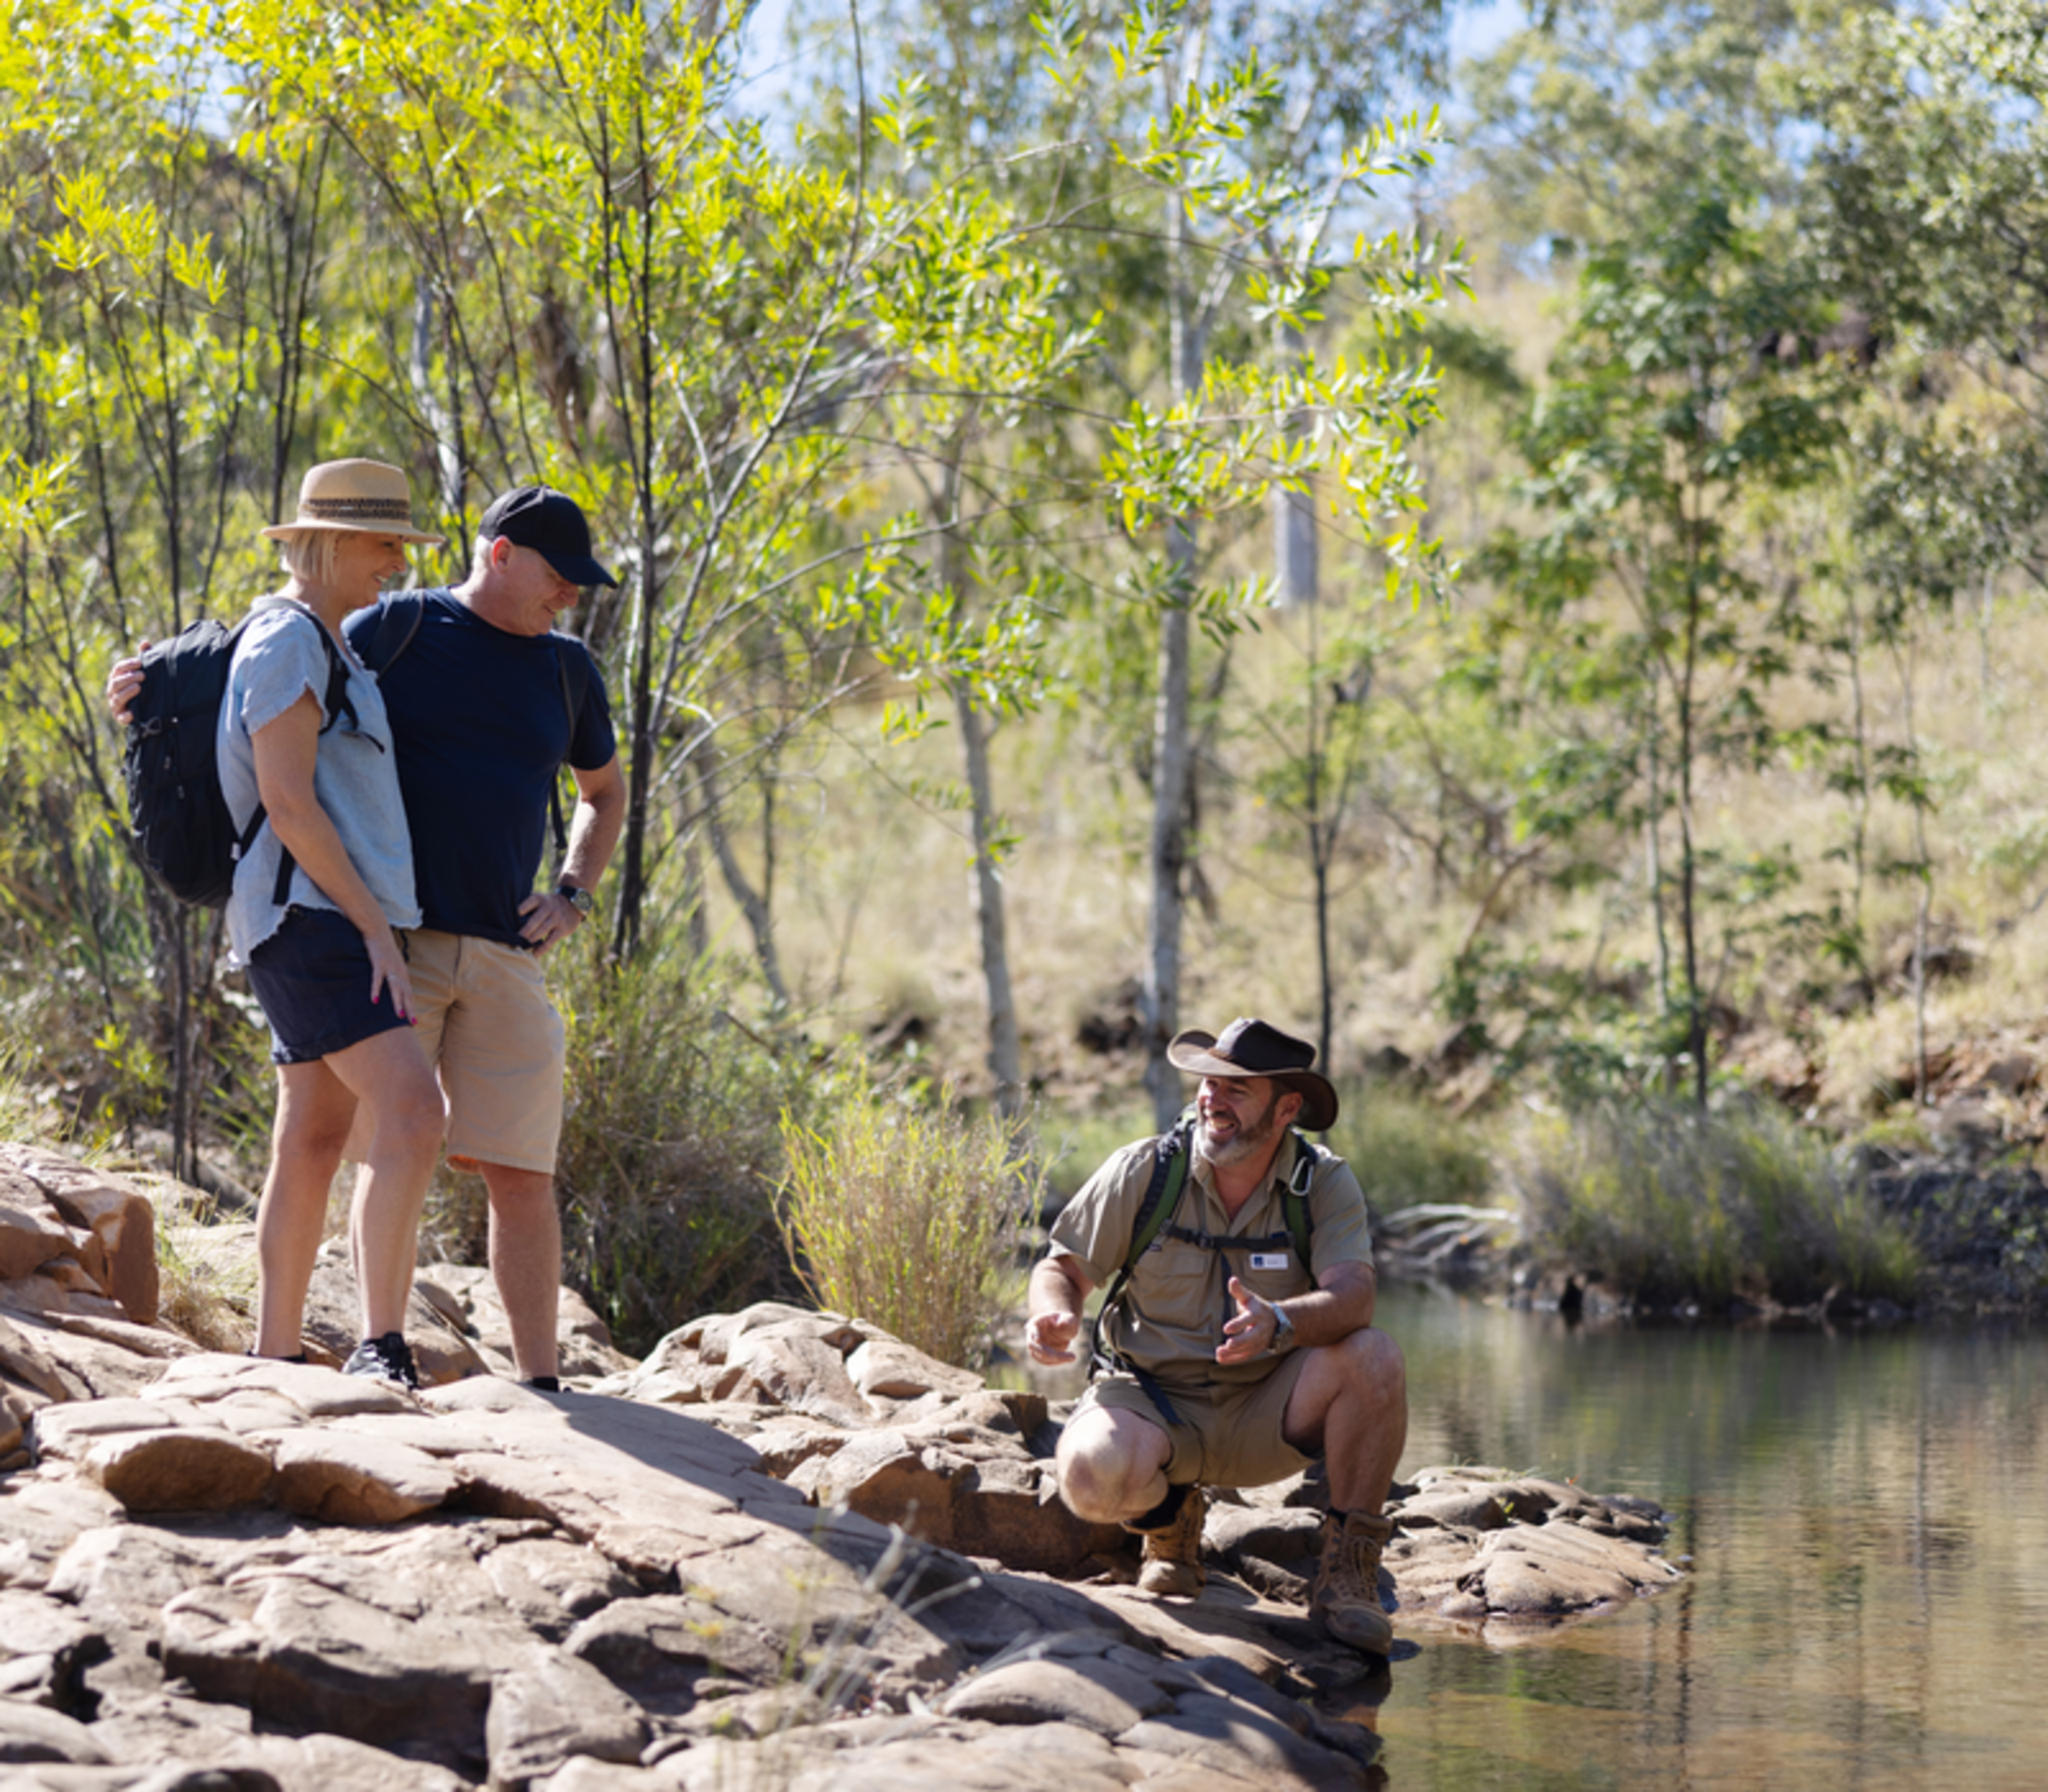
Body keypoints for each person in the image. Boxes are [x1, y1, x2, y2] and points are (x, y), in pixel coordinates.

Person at [113, 482, 626, 1388]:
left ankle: (528, 1382)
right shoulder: (396, 627)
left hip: (492, 949)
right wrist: (151, 679)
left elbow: (605, 792)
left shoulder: (565, 670)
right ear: (502, 556)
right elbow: (266, 675)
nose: (571, 595)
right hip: (371, 929)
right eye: (560, 575)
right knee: (370, 1126)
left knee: (490, 1164)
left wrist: (573, 892)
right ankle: (372, 1345)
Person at [1024, 1017, 1408, 1655]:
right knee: (1090, 1479)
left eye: (1237, 1089)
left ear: (1288, 1109)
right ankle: (1170, 1522)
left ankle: (1348, 1575)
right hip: (1153, 1402)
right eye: (1208, 1083)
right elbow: (1060, 1268)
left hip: (1270, 1410)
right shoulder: (1147, 1170)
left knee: (1375, 1356)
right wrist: (1054, 1313)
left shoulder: (1325, 1183)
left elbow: (1355, 1298)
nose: (1212, 1098)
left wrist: (1283, 1323)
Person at [217, 458, 449, 1388]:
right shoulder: (287, 642)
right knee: (413, 1111)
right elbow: (289, 801)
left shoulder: (325, 638)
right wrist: (373, 928)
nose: (397, 561)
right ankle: (381, 1347)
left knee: (313, 1134)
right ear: (334, 542)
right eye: (385, 542)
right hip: (312, 918)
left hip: (314, 917)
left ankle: (273, 1356)